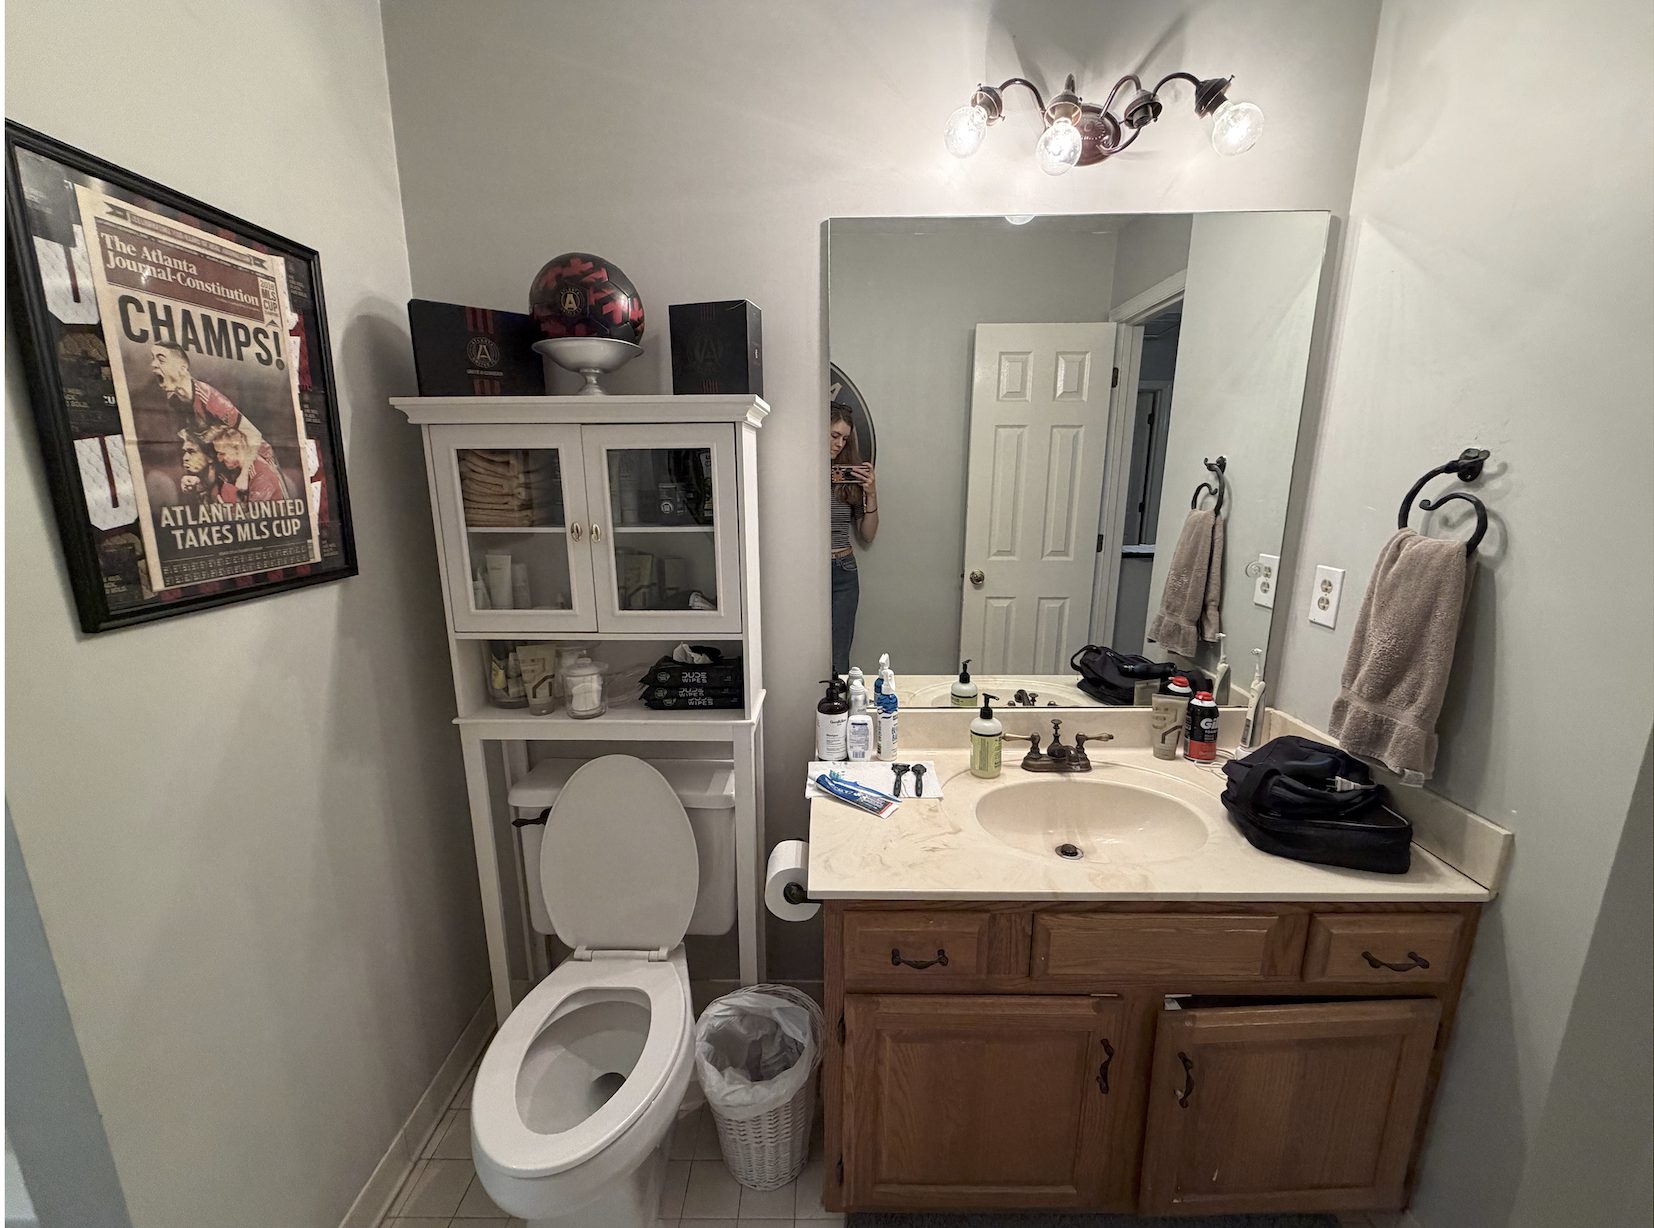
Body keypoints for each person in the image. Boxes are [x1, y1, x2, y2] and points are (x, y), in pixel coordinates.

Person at [828, 401, 878, 676]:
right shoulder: (795, 472)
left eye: (844, 439)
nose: (839, 444)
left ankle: (837, 712)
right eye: (834, 435)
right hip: (803, 572)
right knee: (795, 647)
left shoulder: (849, 474)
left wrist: (871, 492)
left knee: (838, 656)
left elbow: (867, 534)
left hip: (842, 569)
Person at [202, 423, 288, 503]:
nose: (220, 459)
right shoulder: (240, 471)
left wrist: (231, 496)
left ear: (237, 448)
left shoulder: (260, 475)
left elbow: (254, 515)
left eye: (222, 453)